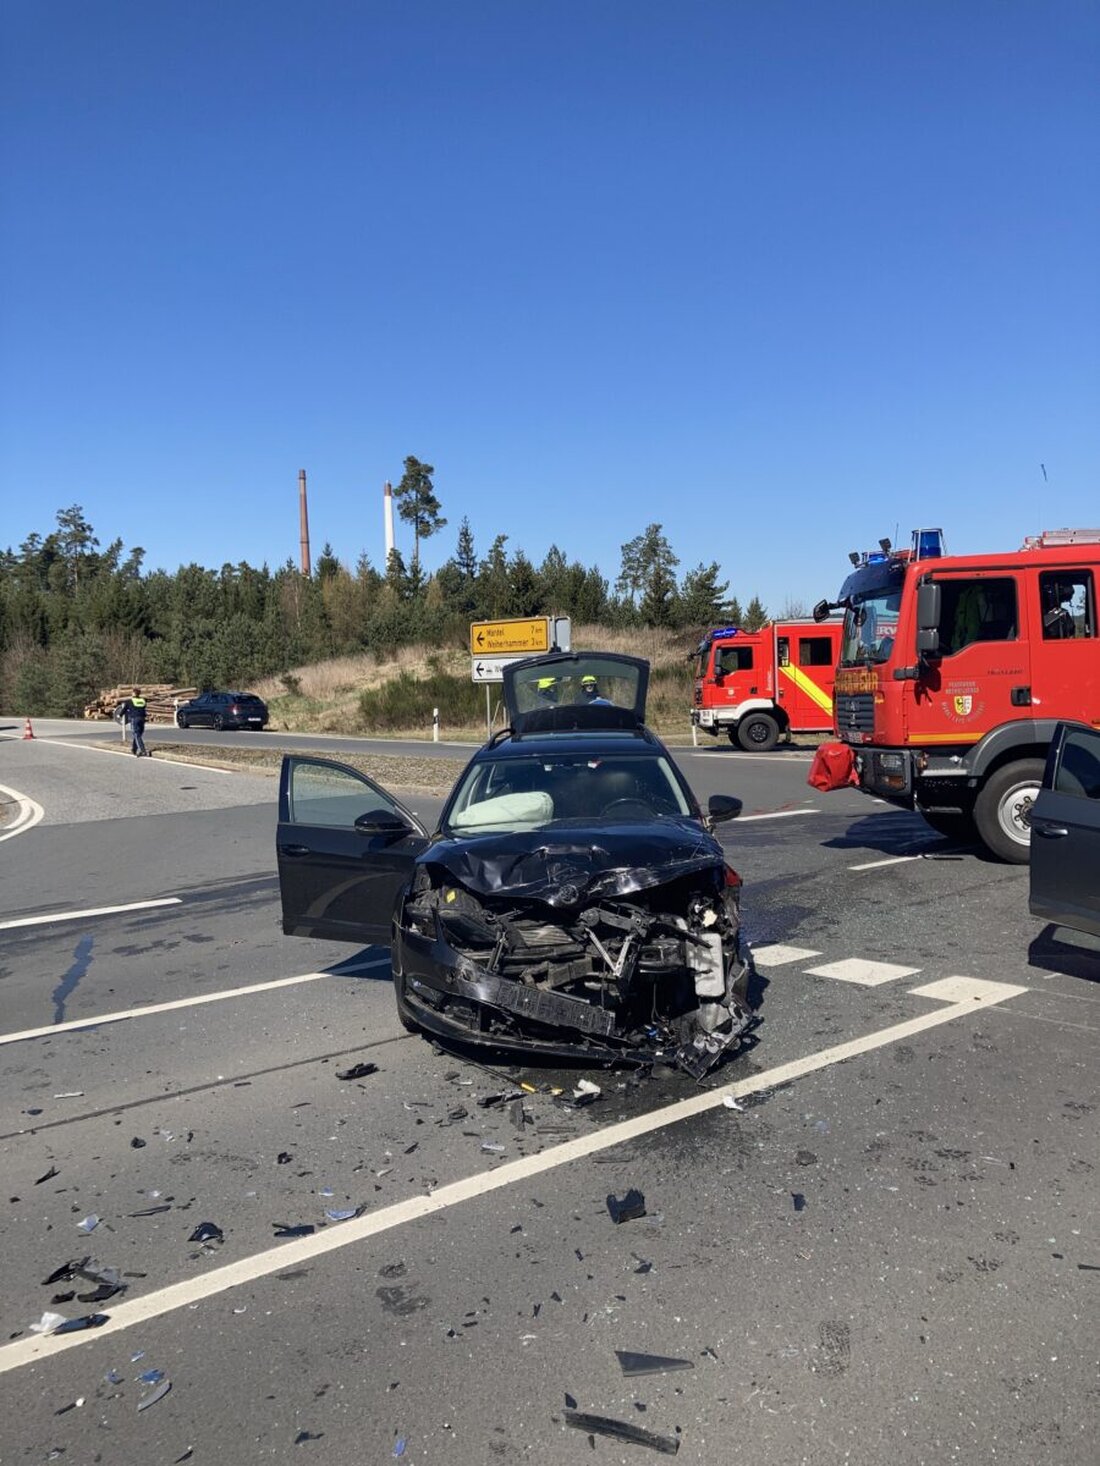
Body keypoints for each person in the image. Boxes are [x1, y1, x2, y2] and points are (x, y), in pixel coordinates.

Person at [117, 686, 149, 756]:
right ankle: (134, 749)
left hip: (134, 719)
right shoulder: (143, 700)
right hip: (142, 719)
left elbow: (124, 709)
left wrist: (119, 715)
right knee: (138, 734)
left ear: (133, 694)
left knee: (136, 734)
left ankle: (142, 750)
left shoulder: (129, 701)